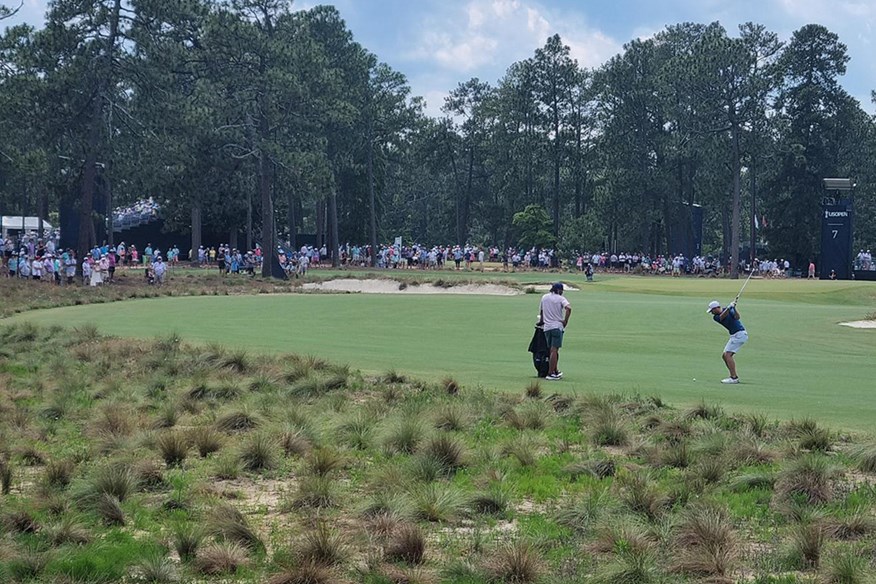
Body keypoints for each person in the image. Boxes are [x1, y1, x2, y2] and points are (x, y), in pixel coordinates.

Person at [706, 299, 748, 384]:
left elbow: (737, 317)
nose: (711, 313)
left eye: (712, 310)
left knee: (728, 355)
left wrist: (734, 308)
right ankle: (732, 375)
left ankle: (734, 378)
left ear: (716, 308)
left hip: (739, 334)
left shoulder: (728, 309)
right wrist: (729, 308)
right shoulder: (716, 317)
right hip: (734, 336)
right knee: (724, 356)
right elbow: (722, 317)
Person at [539, 282, 572, 381]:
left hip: (547, 327)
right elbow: (569, 308)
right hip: (557, 326)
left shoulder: (544, 297)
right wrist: (565, 321)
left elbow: (542, 311)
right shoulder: (560, 298)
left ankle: (555, 370)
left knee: (552, 350)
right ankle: (550, 373)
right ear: (558, 290)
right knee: (554, 350)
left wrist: (541, 322)